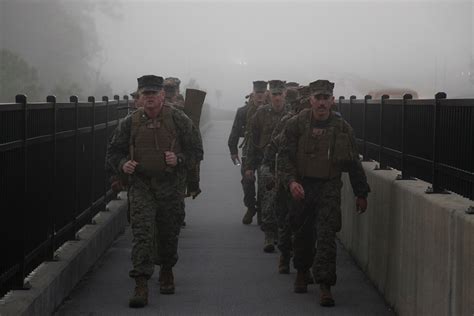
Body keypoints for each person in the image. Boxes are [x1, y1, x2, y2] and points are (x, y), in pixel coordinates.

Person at [106, 75, 203, 308]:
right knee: (142, 233)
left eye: (153, 93)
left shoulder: (178, 119)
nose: (149, 98)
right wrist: (122, 165)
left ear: (162, 96)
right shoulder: (129, 123)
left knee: (168, 232)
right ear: (139, 97)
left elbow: (196, 151)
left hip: (170, 187)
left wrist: (178, 159)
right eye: (145, 94)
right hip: (141, 186)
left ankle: (167, 269)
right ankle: (141, 283)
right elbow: (113, 153)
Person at [279, 79, 370, 307]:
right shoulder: (296, 124)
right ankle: (301, 271)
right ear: (310, 100)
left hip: (328, 187)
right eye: (317, 98)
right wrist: (291, 183)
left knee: (327, 235)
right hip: (302, 186)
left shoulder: (342, 128)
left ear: (332, 100)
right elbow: (284, 157)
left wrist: (361, 193)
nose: (321, 103)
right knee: (302, 232)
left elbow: (353, 162)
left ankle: (325, 285)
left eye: (325, 98)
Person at [244, 80, 288, 252]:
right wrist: (249, 166)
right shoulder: (260, 114)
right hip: (266, 163)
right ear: (270, 96)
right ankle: (269, 235)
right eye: (274, 94)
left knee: (283, 202)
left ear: (285, 94)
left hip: (286, 164)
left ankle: (280, 233)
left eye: (280, 94)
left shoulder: (293, 114)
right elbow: (252, 142)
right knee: (268, 199)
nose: (277, 98)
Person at [228, 81, 268, 225]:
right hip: (248, 152)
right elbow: (235, 130)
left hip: (266, 152)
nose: (260, 96)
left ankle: (263, 214)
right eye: (258, 93)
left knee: (265, 184)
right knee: (247, 182)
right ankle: (251, 207)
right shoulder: (243, 111)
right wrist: (233, 151)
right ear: (253, 94)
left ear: (266, 94)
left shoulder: (270, 111)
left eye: (262, 93)